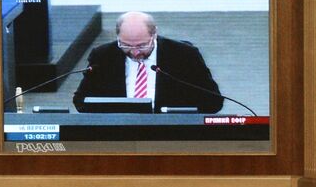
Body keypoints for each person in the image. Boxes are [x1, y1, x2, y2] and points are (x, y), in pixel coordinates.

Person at [72, 11, 223, 113]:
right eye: (126, 45)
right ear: (117, 36)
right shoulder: (103, 56)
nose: (135, 52)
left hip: (171, 133)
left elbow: (214, 101)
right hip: (118, 133)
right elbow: (80, 100)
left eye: (141, 45)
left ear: (154, 34)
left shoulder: (184, 55)